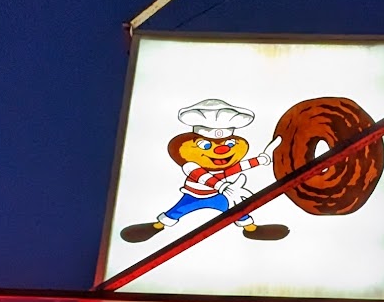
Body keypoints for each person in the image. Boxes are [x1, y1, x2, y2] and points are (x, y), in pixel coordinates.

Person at [119, 96, 288, 242]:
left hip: (219, 197)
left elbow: (233, 169)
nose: (221, 150)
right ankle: (156, 226)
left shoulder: (222, 168)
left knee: (239, 210)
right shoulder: (190, 164)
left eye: (229, 144)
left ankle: (251, 230)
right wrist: (222, 186)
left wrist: (259, 160)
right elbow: (202, 176)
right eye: (206, 145)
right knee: (177, 211)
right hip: (194, 195)